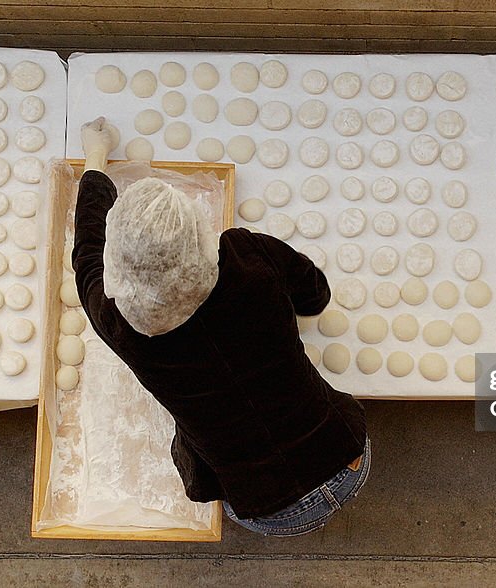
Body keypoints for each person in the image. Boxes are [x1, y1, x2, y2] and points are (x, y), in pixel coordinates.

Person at [74, 117, 369, 537]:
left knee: (192, 444)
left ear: (119, 268)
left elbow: (86, 252)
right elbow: (315, 295)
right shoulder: (248, 256)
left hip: (269, 512)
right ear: (198, 232)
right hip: (348, 458)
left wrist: (96, 158)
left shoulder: (121, 326)